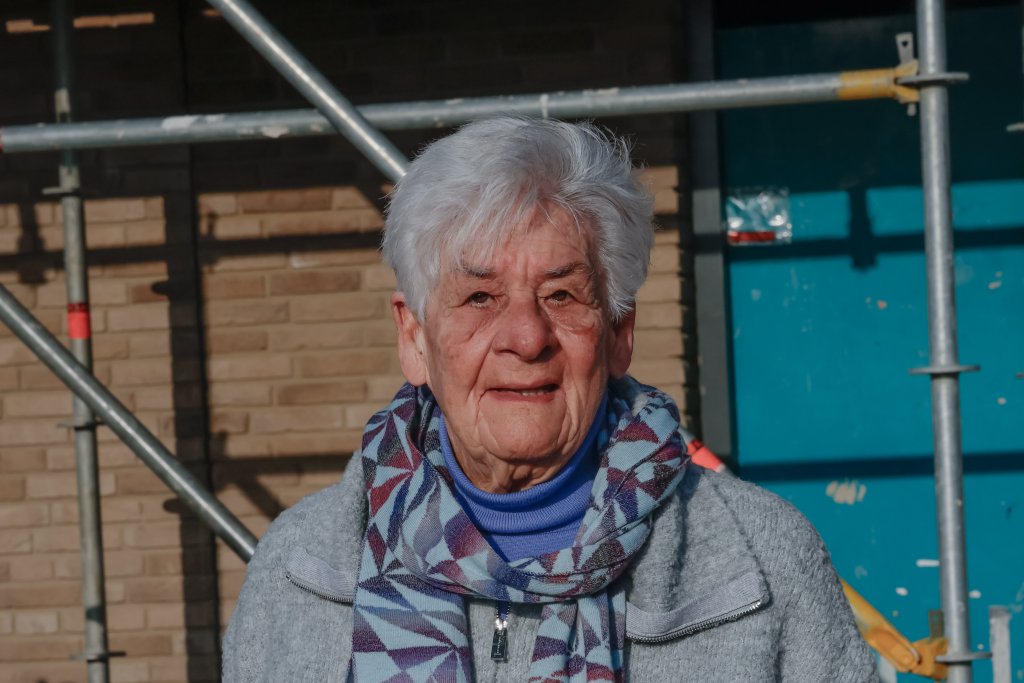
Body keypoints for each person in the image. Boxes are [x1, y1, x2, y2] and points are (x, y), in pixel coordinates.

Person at [222, 117, 878, 682]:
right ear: (414, 337)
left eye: (561, 295)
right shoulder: (303, 564)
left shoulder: (763, 556)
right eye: (480, 297)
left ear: (618, 334)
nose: (527, 337)